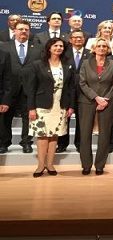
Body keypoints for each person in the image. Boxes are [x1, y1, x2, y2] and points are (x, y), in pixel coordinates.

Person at [26, 37, 75, 177]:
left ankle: (50, 164)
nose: (58, 48)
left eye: (61, 46)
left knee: (54, 136)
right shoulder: (38, 65)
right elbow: (31, 88)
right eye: (55, 46)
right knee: (42, 136)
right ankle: (40, 165)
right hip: (41, 106)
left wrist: (71, 106)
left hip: (60, 106)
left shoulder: (67, 65)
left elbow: (71, 88)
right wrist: (31, 108)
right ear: (49, 48)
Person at [78, 38, 113, 175]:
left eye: (104, 46)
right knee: (85, 134)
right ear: (94, 48)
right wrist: (96, 97)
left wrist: (105, 100)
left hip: (107, 103)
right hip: (87, 102)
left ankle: (100, 165)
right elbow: (82, 83)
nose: (101, 48)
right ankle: (86, 165)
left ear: (108, 49)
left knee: (105, 135)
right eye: (99, 46)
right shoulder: (85, 63)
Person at [0, 19, 43, 153]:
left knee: (28, 117)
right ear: (14, 31)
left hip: (30, 88)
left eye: (26, 29)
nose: (23, 31)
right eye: (20, 29)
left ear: (29, 32)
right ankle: (3, 143)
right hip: (9, 88)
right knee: (5, 117)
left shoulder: (38, 48)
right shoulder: (4, 46)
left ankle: (26, 142)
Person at [57, 29, 91, 153]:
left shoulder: (90, 53)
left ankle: (80, 144)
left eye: (80, 37)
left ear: (84, 39)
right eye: (75, 37)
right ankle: (62, 144)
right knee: (65, 118)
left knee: (82, 120)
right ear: (70, 40)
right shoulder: (63, 54)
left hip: (84, 92)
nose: (78, 39)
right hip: (66, 91)